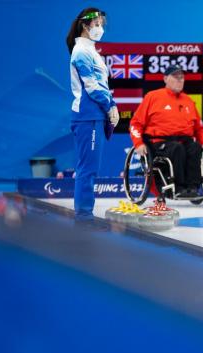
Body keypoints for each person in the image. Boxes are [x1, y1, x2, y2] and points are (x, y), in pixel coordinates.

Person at [66, 7, 118, 222]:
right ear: (85, 26)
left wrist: (110, 105)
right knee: (87, 169)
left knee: (90, 168)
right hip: (88, 115)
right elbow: (92, 86)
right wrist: (110, 106)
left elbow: (101, 84)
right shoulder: (81, 52)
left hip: (94, 115)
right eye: (96, 24)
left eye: (101, 25)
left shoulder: (91, 51)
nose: (100, 28)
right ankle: (84, 218)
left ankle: (85, 215)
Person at [130, 65, 203, 198]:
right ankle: (178, 187)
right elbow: (135, 124)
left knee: (195, 148)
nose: (180, 80)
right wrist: (138, 143)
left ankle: (193, 188)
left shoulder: (188, 101)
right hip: (160, 142)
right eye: (175, 77)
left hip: (184, 141)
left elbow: (199, 128)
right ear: (165, 78)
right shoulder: (153, 97)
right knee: (177, 148)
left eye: (182, 77)